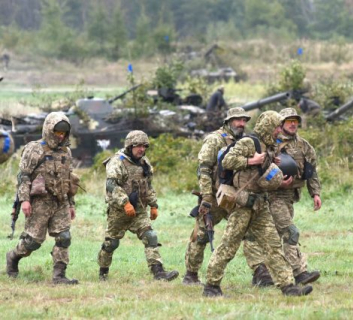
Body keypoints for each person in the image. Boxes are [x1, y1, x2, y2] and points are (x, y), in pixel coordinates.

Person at [203, 110, 313, 297]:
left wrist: (270, 163)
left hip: (261, 205)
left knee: (273, 246)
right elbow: (227, 160)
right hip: (243, 205)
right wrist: (250, 160)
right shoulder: (249, 142)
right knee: (229, 246)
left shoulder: (269, 146)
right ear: (269, 127)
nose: (280, 130)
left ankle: (288, 286)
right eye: (277, 126)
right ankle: (211, 286)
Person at [184, 107, 273, 287]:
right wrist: (207, 197)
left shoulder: (247, 140)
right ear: (228, 121)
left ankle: (260, 272)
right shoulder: (214, 139)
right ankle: (191, 275)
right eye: (238, 120)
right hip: (217, 196)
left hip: (238, 196)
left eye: (244, 120)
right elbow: (204, 169)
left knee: (249, 232)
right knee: (201, 233)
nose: (242, 124)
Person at [245, 108, 322, 286]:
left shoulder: (304, 145)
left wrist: (315, 193)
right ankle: (298, 272)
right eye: (288, 121)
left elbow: (311, 171)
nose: (293, 124)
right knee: (290, 232)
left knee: (274, 235)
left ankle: (264, 273)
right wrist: (277, 182)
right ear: (280, 124)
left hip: (289, 196)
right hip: (271, 195)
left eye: (295, 120)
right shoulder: (271, 144)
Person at [6, 112, 78, 284]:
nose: (60, 136)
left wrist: (71, 204)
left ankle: (59, 276)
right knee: (33, 242)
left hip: (60, 202)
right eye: (57, 132)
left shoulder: (66, 151)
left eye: (63, 133)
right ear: (48, 129)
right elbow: (24, 176)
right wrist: (24, 200)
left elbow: (68, 178)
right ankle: (13, 257)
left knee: (64, 237)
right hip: (39, 202)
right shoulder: (34, 149)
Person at [97, 130, 178, 281]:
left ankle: (158, 273)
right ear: (129, 146)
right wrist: (125, 203)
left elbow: (148, 186)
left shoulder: (144, 163)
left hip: (139, 211)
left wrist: (154, 205)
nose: (141, 149)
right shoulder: (117, 161)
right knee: (111, 244)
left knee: (150, 236)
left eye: (144, 146)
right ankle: (103, 272)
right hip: (119, 212)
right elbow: (111, 185)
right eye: (138, 146)